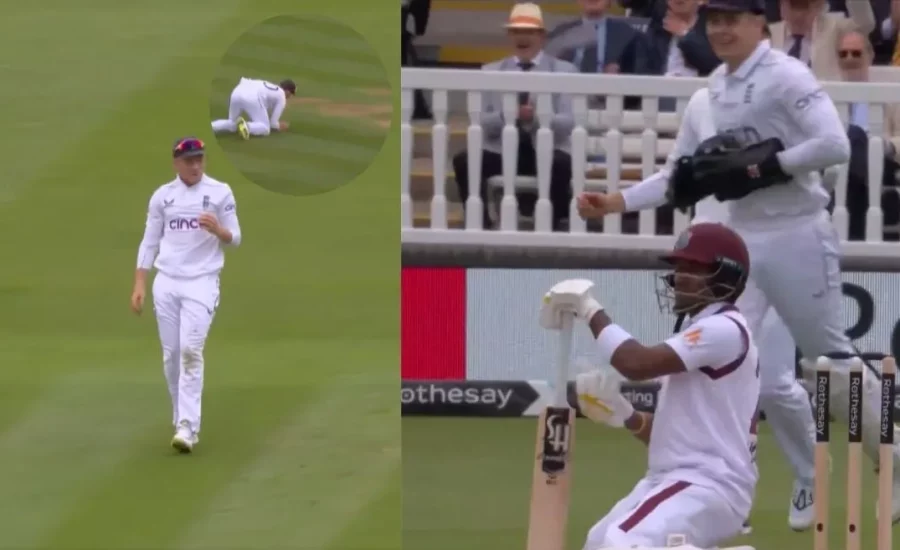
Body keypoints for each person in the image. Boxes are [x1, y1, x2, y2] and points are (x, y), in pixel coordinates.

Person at [576, 0, 900, 523]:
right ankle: (721, 487)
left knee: (831, 363)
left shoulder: (786, 76)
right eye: (714, 21)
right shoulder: (716, 90)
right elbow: (681, 175)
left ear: (757, 23)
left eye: (733, 19)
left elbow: (834, 144)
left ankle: (895, 458)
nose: (722, 30)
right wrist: (616, 202)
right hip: (742, 241)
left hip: (797, 233)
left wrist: (768, 166)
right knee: (727, 366)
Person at [540, 223, 760, 549]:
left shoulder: (723, 329)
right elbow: (681, 437)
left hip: (710, 484)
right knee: (597, 543)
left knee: (624, 543)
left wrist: (589, 309)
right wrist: (625, 413)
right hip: (674, 479)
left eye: (692, 268)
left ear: (725, 276)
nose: (678, 277)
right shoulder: (698, 330)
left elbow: (635, 363)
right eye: (678, 268)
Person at [130, 137, 242, 453]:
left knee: (191, 350)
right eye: (189, 161)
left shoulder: (220, 193)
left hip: (202, 283)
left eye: (200, 160)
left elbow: (236, 239)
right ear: (176, 163)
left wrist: (219, 230)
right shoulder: (162, 198)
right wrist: (139, 283)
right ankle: (181, 417)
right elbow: (149, 242)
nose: (195, 165)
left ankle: (189, 428)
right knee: (172, 355)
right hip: (166, 283)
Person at [211, 77, 296, 139]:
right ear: (287, 91)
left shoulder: (270, 86)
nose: (290, 96)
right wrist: (279, 126)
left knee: (232, 123)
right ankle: (246, 126)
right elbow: (273, 124)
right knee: (265, 128)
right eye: (291, 93)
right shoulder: (281, 96)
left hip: (237, 91)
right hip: (252, 97)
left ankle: (211, 126)